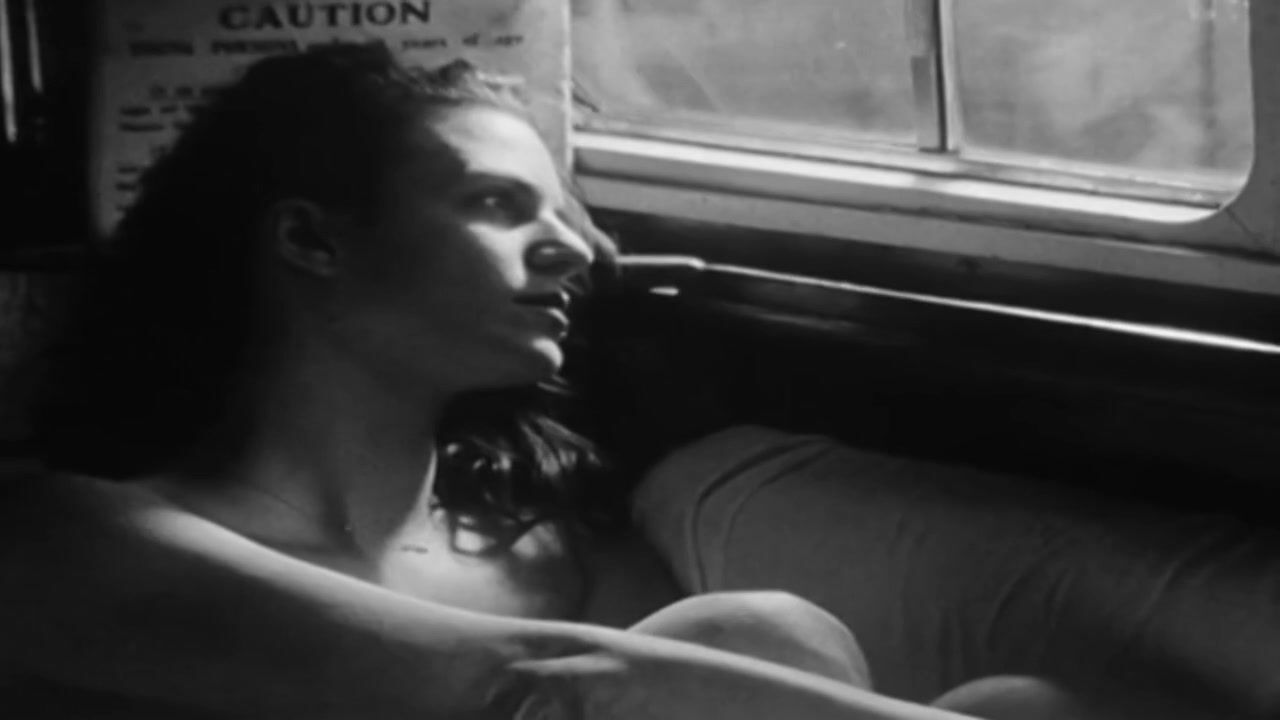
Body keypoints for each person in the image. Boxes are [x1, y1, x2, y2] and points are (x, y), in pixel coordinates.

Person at [1, 42, 1098, 719]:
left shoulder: (551, 559)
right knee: (754, 636)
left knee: (1019, 701)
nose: (572, 248)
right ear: (312, 240)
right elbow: (533, 685)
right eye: (496, 204)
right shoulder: (69, 534)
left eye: (564, 214)